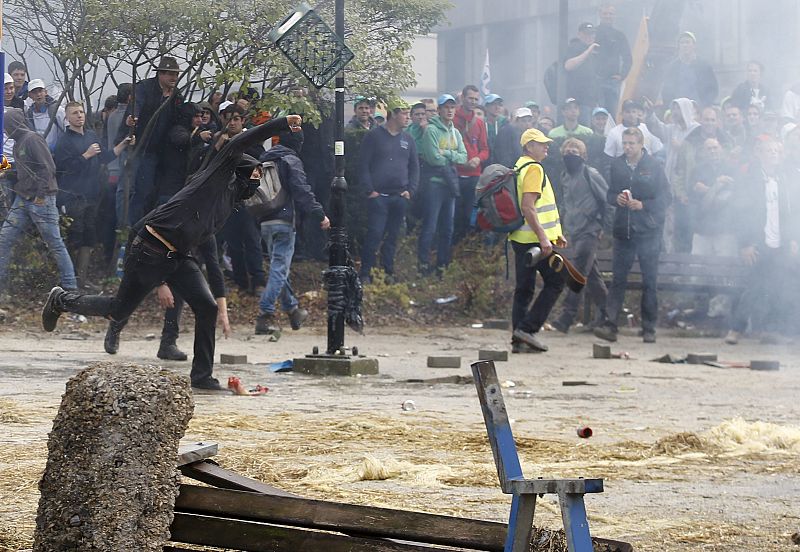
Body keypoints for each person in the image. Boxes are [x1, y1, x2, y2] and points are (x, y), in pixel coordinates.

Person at [41, 114, 304, 392]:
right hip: (151, 248)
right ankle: (62, 300)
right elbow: (239, 143)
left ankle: (202, 376)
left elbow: (211, 258)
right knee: (117, 310)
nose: (257, 183)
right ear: (239, 172)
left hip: (178, 256)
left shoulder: (227, 203)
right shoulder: (214, 177)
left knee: (207, 308)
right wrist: (281, 124)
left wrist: (222, 302)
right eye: (255, 176)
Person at [594, 127, 671, 344]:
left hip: (648, 231)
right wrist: (615, 199)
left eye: (631, 143)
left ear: (641, 144)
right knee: (618, 280)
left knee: (649, 281)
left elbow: (666, 198)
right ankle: (610, 325)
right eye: (625, 143)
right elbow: (609, 193)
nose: (627, 147)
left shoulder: (654, 166)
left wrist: (643, 205)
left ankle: (649, 328)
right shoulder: (617, 165)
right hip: (623, 231)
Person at [255, 127, 330, 335]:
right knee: (279, 269)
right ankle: (264, 314)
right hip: (284, 221)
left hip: (264, 219)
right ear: (298, 143)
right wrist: (320, 214)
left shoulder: (264, 159)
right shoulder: (290, 160)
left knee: (279, 269)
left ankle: (293, 310)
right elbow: (302, 191)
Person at [724, 136, 799, 344]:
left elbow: (793, 212)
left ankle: (771, 330)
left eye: (777, 151)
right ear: (760, 153)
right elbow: (739, 214)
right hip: (757, 242)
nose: (774, 154)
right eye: (769, 150)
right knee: (754, 287)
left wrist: (793, 239)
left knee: (780, 287)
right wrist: (745, 244)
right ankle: (736, 329)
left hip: (781, 243)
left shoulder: (786, 179)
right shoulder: (749, 179)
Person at [53, 102, 133, 287]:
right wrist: (85, 156)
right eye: (75, 113)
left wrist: (123, 143)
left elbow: (105, 157)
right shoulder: (64, 141)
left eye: (81, 112)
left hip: (92, 195)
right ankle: (68, 280)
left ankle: (81, 279)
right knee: (75, 236)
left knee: (89, 236)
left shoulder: (91, 135)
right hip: (73, 197)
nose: (79, 115)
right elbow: (62, 169)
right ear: (67, 118)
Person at [0, 109, 77, 295]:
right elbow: (25, 171)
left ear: (14, 124)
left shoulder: (33, 139)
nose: (5, 131)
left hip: (41, 199)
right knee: (4, 239)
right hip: (23, 197)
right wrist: (6, 173)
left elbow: (48, 168)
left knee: (55, 243)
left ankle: (70, 286)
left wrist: (41, 196)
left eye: (6, 126)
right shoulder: (19, 143)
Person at [509, 128, 566, 353]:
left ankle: (518, 340)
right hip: (534, 239)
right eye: (541, 144)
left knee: (524, 288)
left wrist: (555, 233)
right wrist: (544, 238)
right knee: (557, 280)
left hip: (520, 237)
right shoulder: (534, 168)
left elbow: (539, 208)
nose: (546, 147)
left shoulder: (519, 166)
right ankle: (527, 329)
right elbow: (528, 207)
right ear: (529, 146)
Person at [550, 138, 612, 333]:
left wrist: (603, 227)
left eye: (575, 151)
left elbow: (607, 201)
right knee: (591, 275)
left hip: (590, 230)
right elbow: (566, 203)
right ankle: (609, 314)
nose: (571, 153)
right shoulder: (565, 176)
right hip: (575, 231)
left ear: (583, 155)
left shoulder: (590, 174)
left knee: (577, 273)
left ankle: (567, 316)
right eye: (567, 150)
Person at [358, 98, 419, 283]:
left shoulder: (408, 139)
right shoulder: (374, 136)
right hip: (379, 197)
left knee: (393, 237)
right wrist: (370, 190)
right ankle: (366, 272)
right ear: (393, 114)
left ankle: (388, 272)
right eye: (404, 114)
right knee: (374, 235)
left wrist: (410, 191)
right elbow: (363, 165)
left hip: (400, 196)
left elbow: (414, 168)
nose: (408, 118)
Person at [119, 56, 184, 225]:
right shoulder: (144, 87)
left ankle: (135, 226)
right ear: (160, 74)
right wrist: (132, 119)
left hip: (154, 151)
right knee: (126, 190)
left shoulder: (176, 94)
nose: (174, 78)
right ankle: (123, 227)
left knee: (144, 191)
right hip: (134, 147)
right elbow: (136, 107)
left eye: (176, 74)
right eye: (170, 74)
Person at [417, 94, 467, 275]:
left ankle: (442, 265)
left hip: (450, 185)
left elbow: (464, 157)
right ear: (439, 110)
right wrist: (452, 156)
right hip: (434, 185)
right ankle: (423, 265)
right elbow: (433, 159)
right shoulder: (431, 130)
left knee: (448, 228)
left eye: (452, 107)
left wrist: (445, 153)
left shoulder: (456, 132)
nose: (450, 110)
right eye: (446, 107)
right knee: (430, 227)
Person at [453, 84, 489, 242]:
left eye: (476, 99)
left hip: (474, 175)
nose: (473, 102)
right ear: (462, 98)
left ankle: (467, 247)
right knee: (454, 214)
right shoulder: (452, 118)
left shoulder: (479, 122)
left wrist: (478, 158)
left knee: (470, 215)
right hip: (455, 174)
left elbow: (485, 149)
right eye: (470, 98)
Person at [661, 31, 718, 107]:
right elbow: (666, 90)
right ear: (679, 46)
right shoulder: (672, 67)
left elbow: (712, 89)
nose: (685, 45)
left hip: (698, 108)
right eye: (682, 42)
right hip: (678, 108)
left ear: (694, 45)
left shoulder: (704, 66)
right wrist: (671, 107)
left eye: (687, 42)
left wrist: (705, 105)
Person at [594, 3, 632, 113]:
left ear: (614, 15)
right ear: (600, 14)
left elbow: (628, 58)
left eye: (610, 14)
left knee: (611, 113)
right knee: (597, 113)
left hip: (613, 82)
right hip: (595, 81)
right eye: (605, 13)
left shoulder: (619, 35)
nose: (608, 16)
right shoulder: (593, 34)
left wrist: (622, 75)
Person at [564, 22, 601, 124]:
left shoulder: (594, 51)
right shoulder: (574, 47)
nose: (590, 36)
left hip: (592, 101)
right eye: (587, 33)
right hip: (579, 102)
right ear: (579, 34)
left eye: (592, 33)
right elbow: (568, 65)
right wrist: (588, 51)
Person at [25, 79, 66, 150]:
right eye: (34, 92)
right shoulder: (29, 114)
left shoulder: (57, 110)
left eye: (40, 91)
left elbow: (67, 131)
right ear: (30, 95)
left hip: (58, 153)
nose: (38, 94)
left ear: (45, 92)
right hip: (40, 153)